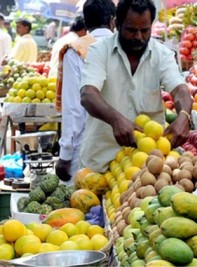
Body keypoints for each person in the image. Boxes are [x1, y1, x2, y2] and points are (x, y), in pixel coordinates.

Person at [79, 0, 192, 173]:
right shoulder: (99, 51)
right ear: (116, 24)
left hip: (148, 164)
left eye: (145, 30)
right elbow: (88, 94)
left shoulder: (161, 54)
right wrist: (115, 119)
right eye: (131, 30)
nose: (138, 36)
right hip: (101, 160)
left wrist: (184, 116)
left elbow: (180, 89)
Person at [55, 0, 116, 184]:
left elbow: (73, 109)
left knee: (83, 203)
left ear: (86, 22)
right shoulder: (127, 47)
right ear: (113, 20)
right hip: (125, 144)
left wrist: (65, 154)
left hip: (87, 145)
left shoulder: (75, 51)